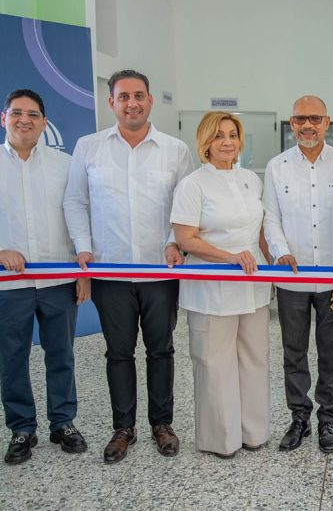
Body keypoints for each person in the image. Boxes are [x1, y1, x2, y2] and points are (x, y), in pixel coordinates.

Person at [63, 70, 194, 464]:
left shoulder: (175, 150)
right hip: (110, 273)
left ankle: (162, 424)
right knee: (118, 354)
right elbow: (75, 201)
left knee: (161, 351)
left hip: (160, 272)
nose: (132, 103)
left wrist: (174, 242)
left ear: (150, 100)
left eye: (139, 95)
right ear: (112, 103)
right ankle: (124, 428)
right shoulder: (89, 148)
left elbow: (187, 206)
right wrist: (83, 248)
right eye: (124, 97)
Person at [171, 111, 272, 459]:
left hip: (253, 284)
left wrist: (273, 265)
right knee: (215, 364)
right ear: (205, 142)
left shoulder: (251, 180)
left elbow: (259, 230)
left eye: (232, 135)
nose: (227, 142)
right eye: (218, 135)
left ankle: (254, 433)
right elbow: (185, 239)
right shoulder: (193, 184)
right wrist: (229, 257)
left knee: (254, 359)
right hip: (211, 287)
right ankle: (221, 440)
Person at [0, 89, 89, 465]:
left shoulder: (64, 165)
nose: (25, 120)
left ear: (44, 122)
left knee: (61, 354)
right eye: (17, 113)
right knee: (12, 358)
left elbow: (78, 215)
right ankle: (22, 428)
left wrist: (83, 271)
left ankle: (63, 422)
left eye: (33, 114)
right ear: (4, 118)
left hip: (59, 281)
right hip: (10, 285)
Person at [263, 96, 333, 454]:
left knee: (330, 353)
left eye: (315, 119)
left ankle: (327, 419)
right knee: (294, 352)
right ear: (292, 123)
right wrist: (279, 251)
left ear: (327, 122)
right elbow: (271, 217)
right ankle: (299, 417)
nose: (307, 125)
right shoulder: (277, 167)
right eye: (300, 119)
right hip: (292, 277)